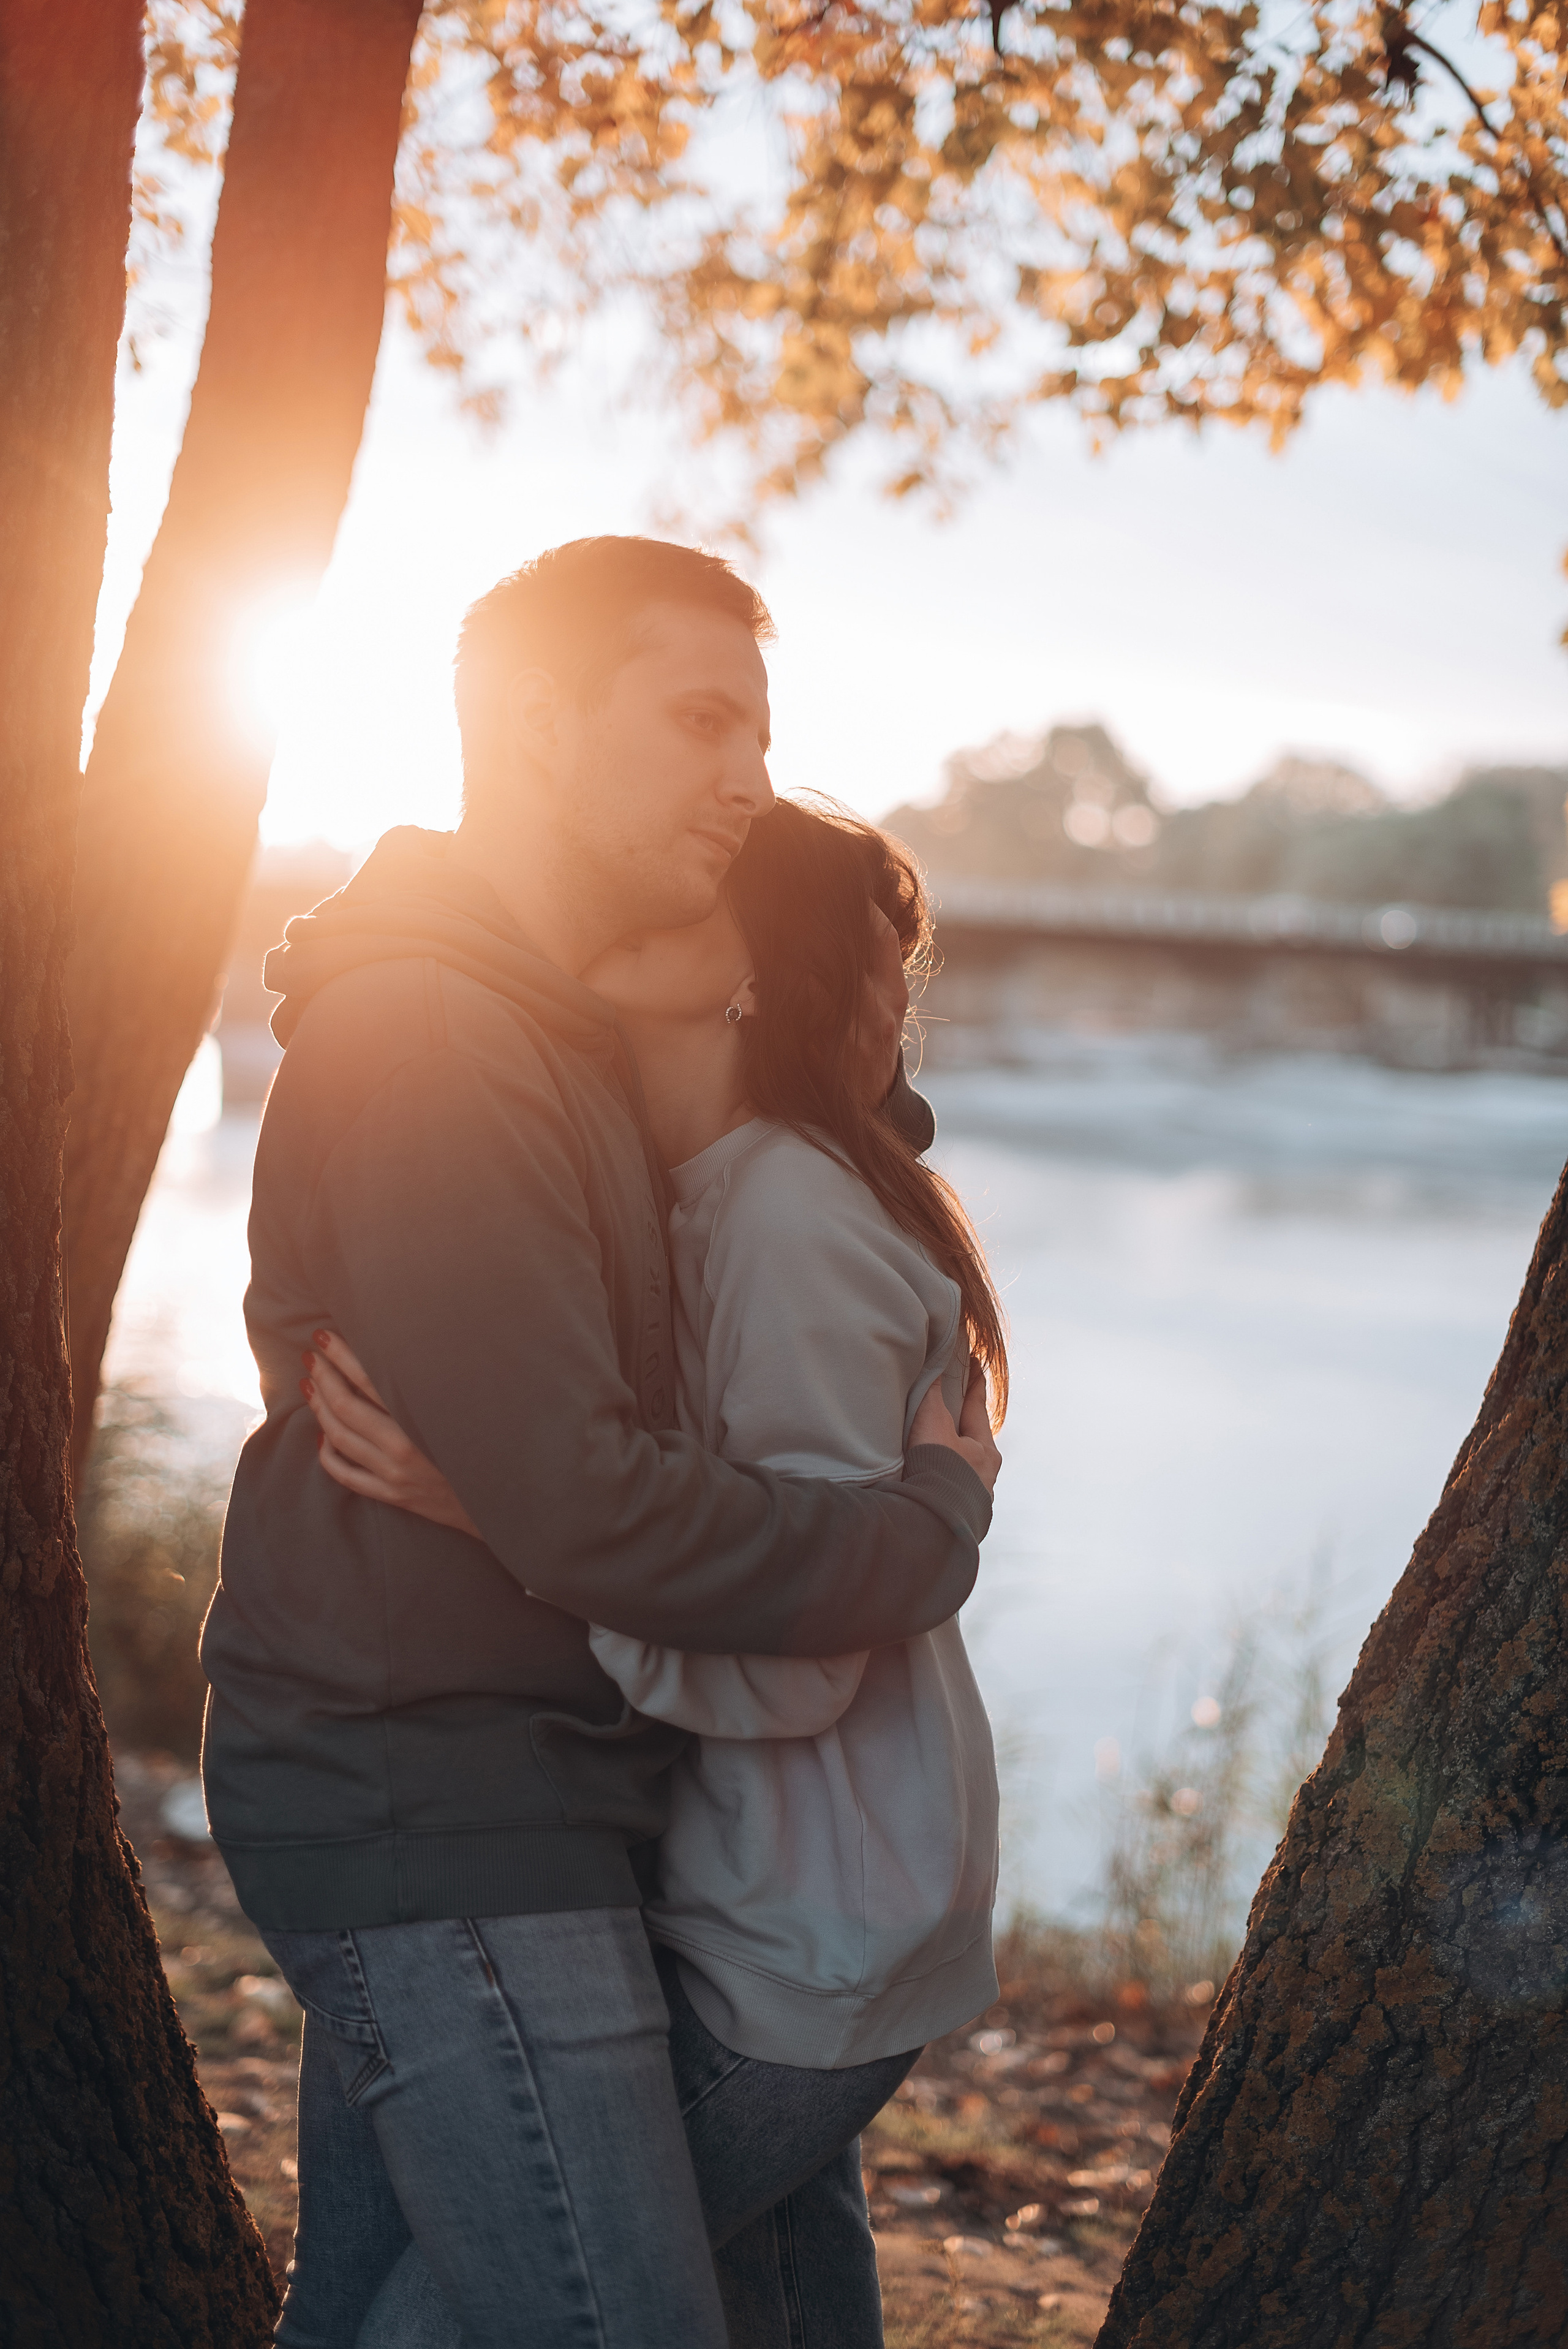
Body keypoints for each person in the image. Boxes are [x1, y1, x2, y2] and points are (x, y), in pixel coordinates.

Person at [200, 538, 999, 2349]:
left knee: (381, 2305)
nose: (748, 773)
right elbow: (593, 1507)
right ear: (542, 723)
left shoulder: (547, 1026)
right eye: (703, 718)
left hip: (551, 1796)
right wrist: (929, 1526)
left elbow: (804, 1119)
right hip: (444, 1805)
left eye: (761, 728)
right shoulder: (440, 1035)